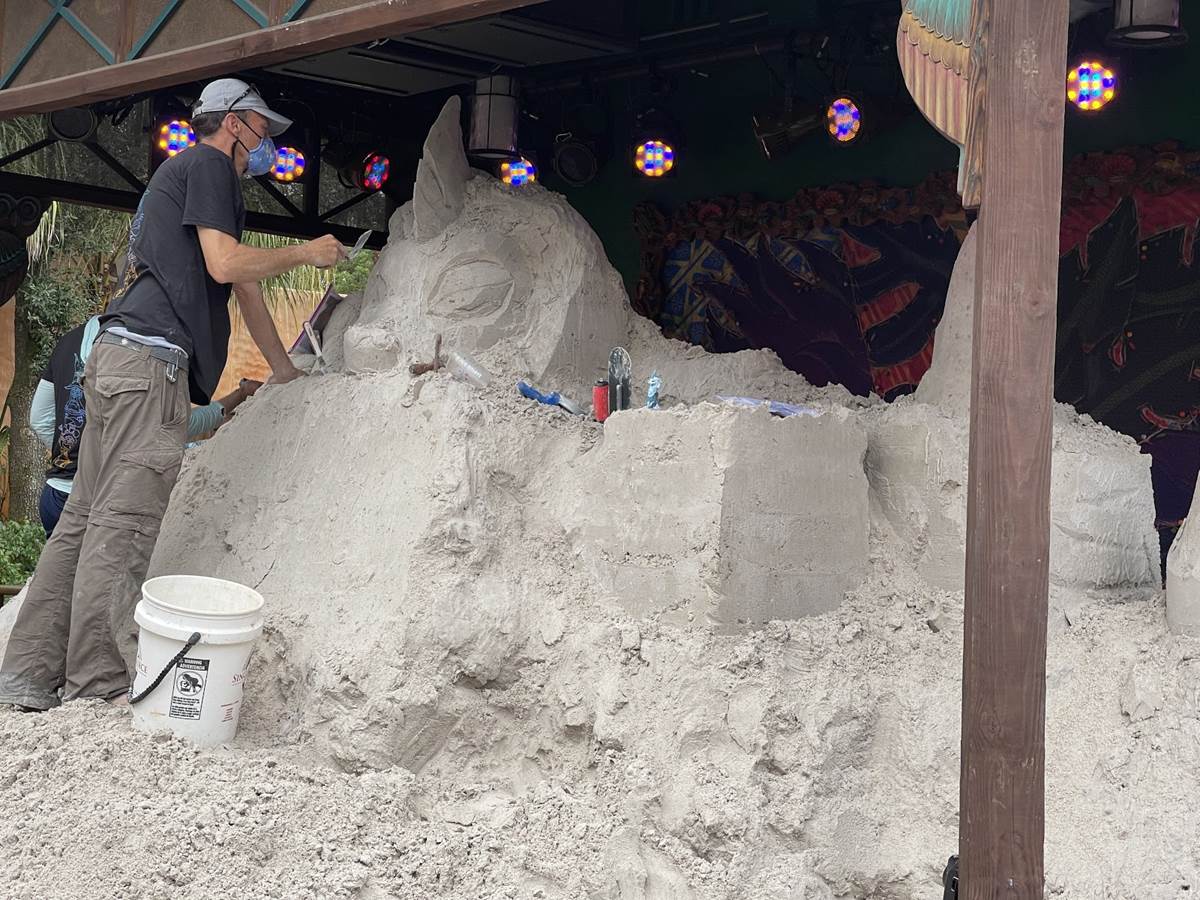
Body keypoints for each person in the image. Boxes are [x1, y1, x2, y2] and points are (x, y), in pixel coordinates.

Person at [0, 78, 346, 710]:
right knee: (123, 524)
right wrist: (305, 251)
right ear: (233, 123)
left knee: (82, 520)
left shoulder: (184, 178)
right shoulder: (209, 165)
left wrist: (285, 373)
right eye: (261, 128)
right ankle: (97, 684)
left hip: (117, 359)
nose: (267, 143)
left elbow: (243, 287)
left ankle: (25, 674)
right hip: (151, 367)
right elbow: (225, 264)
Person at [30, 315, 262, 537]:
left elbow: (39, 419)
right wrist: (239, 398)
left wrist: (75, 454)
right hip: (104, 498)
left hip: (56, 494)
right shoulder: (139, 349)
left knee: (60, 564)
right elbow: (174, 425)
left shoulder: (70, 340)